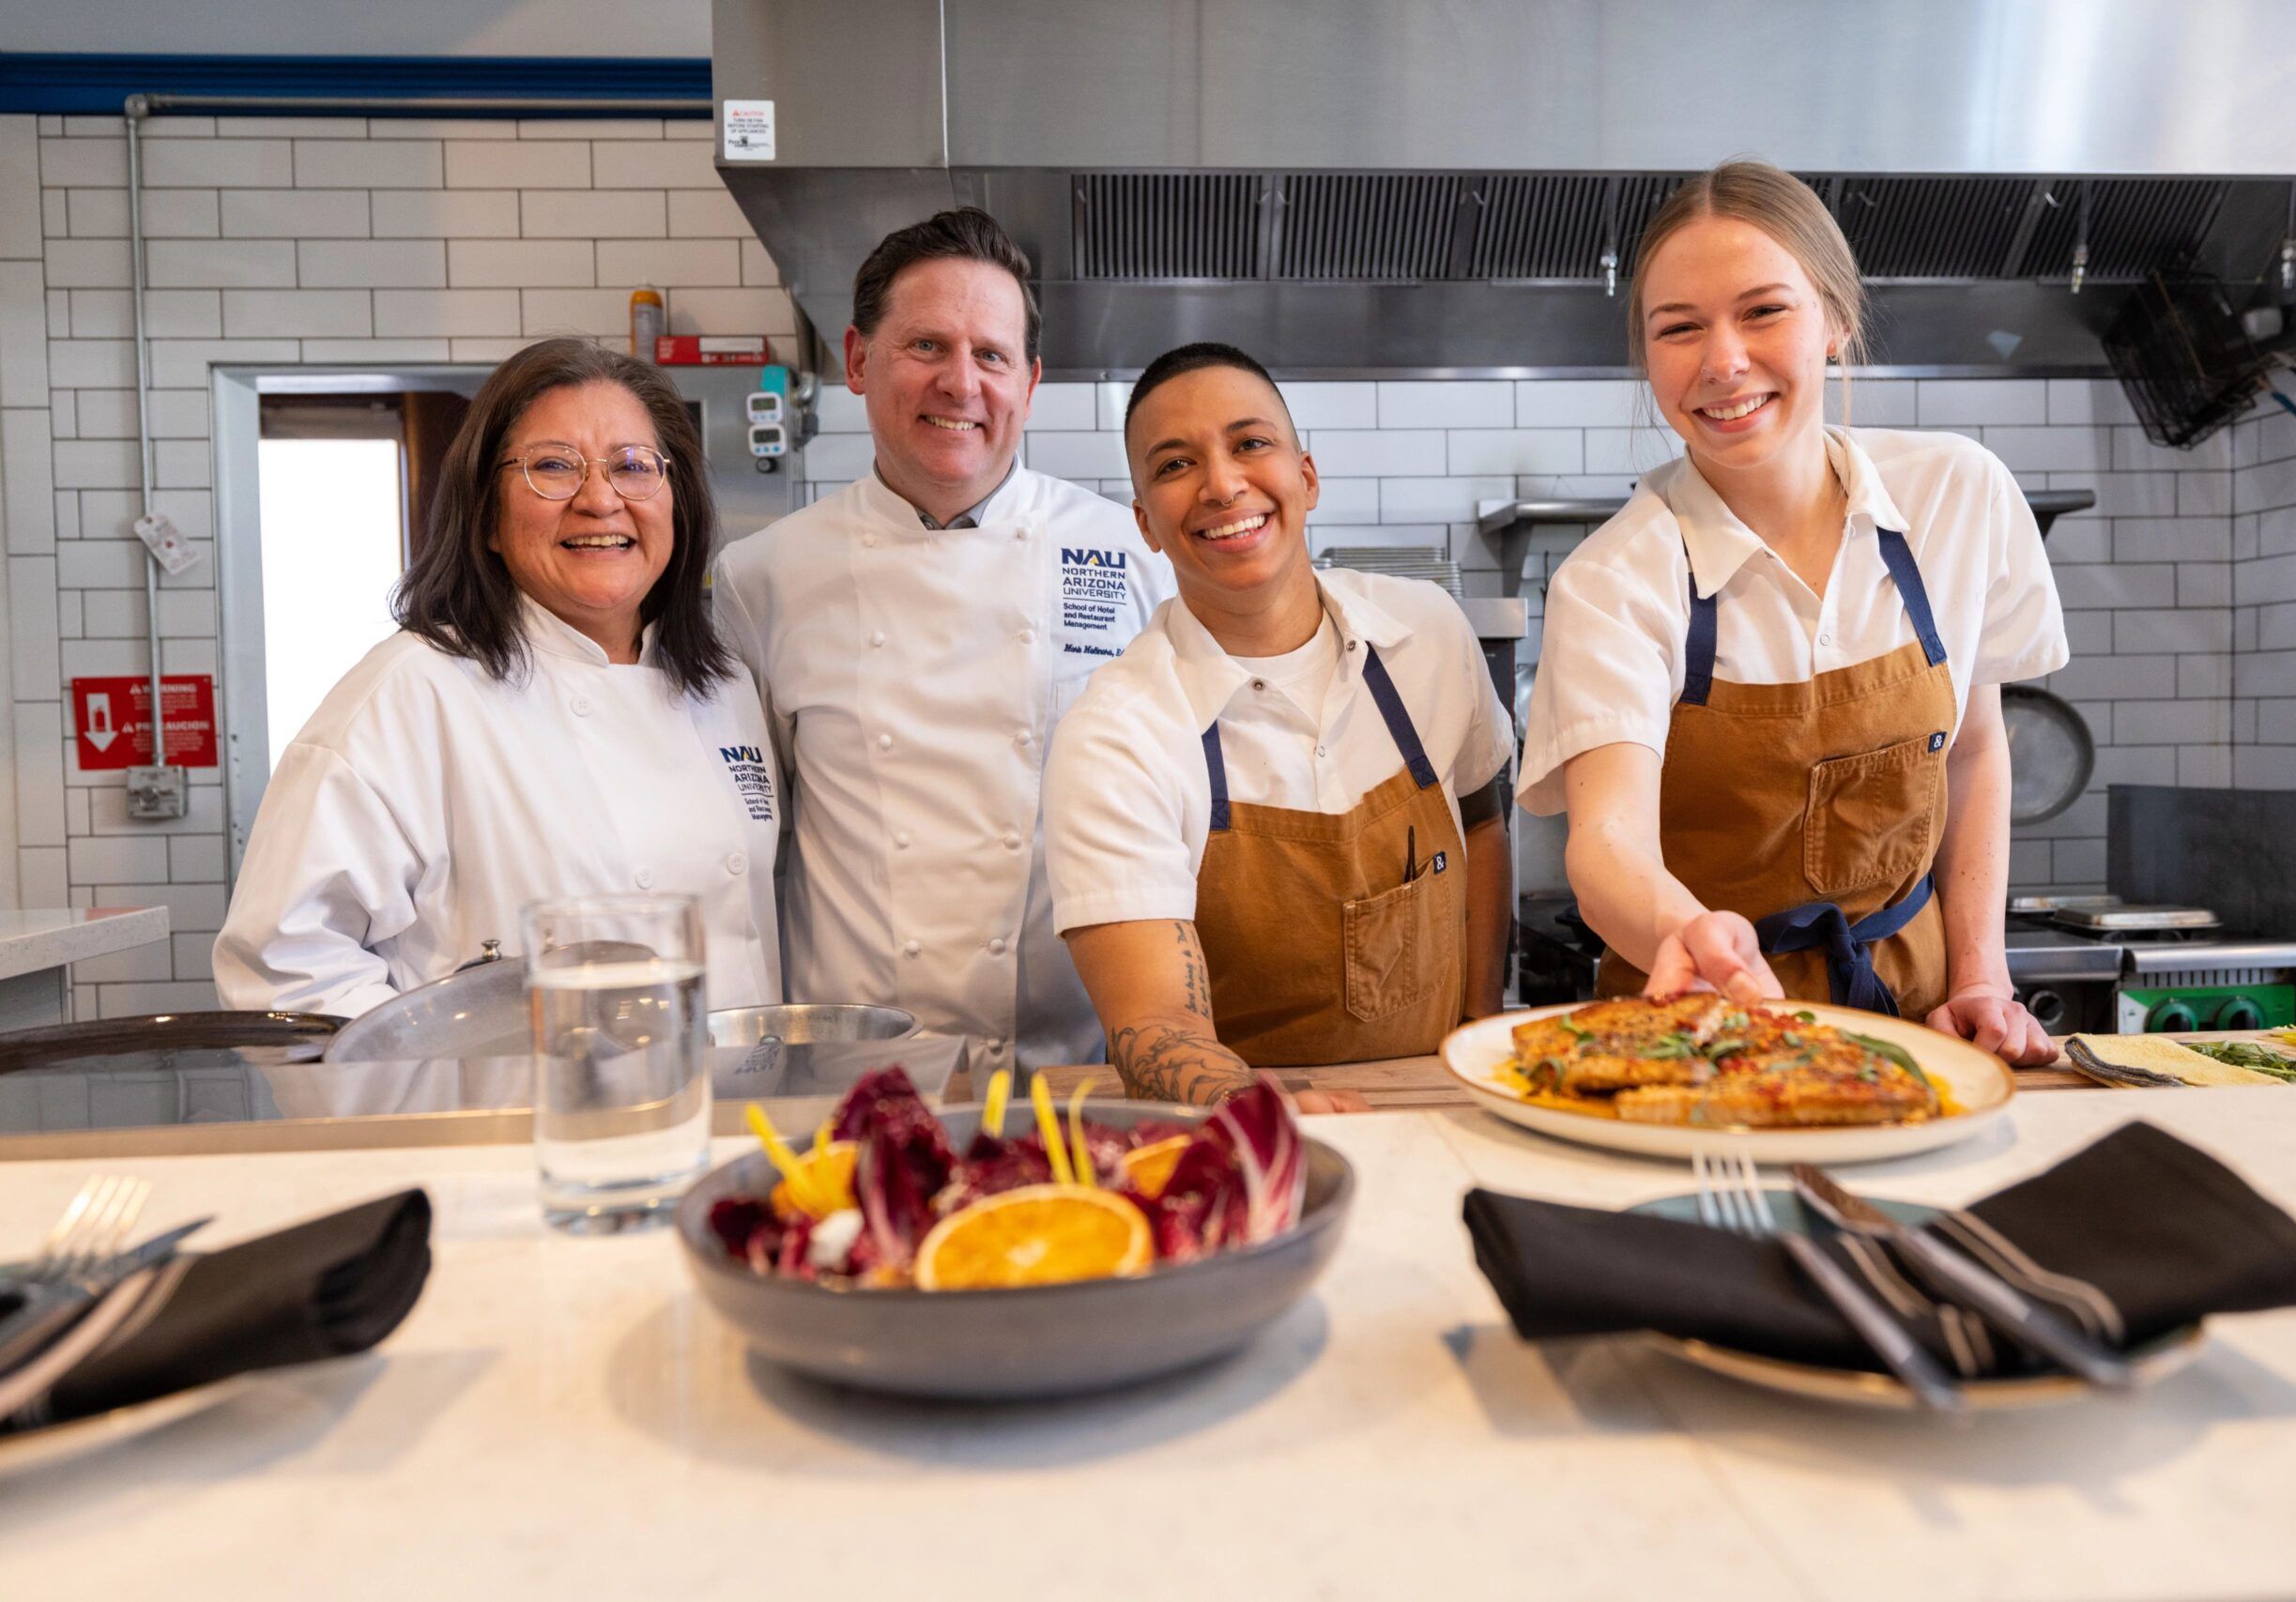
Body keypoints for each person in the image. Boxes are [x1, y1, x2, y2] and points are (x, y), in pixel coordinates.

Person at [1520, 160, 2067, 1064]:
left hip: (1922, 1022)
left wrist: (1981, 973)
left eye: (1764, 310)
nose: (1723, 360)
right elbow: (1606, 838)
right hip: (1698, 1027)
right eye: (1679, 328)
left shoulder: (1957, 497)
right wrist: (1687, 931)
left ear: (1836, 321)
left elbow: (1973, 749)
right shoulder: (1613, 578)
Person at [712, 208, 1172, 1086]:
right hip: (852, 1085)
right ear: (857, 360)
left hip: (1079, 1075)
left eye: (992, 355)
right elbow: (750, 835)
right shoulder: (762, 578)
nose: (962, 384)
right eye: (927, 346)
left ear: (1029, 383)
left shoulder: (1131, 551)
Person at [216, 338, 782, 1015]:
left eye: (634, 466)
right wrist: (445, 1095)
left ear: (677, 503)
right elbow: (282, 967)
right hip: (516, 1115)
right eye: (553, 466)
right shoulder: (411, 694)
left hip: (740, 1112)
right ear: (487, 514)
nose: (600, 499)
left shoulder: (723, 687)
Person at [1043, 343, 1515, 1108]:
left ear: (1307, 475)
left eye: (1250, 444)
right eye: (1174, 465)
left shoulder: (1427, 634)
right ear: (1146, 524)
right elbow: (1153, 1023)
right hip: (1241, 1142)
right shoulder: (1117, 733)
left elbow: (1484, 821)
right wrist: (1260, 1112)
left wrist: (1481, 1022)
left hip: (1455, 1098)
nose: (1223, 485)